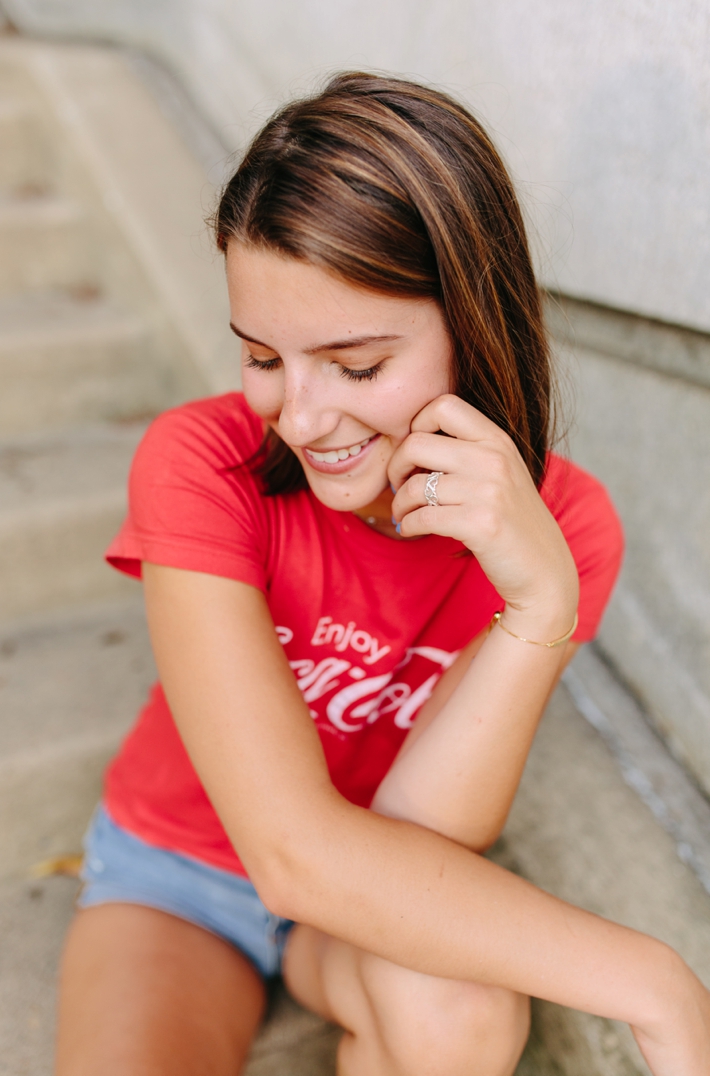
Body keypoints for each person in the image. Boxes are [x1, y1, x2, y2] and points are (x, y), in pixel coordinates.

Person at [54, 74, 710, 1075]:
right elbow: (292, 854)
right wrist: (660, 984)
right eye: (263, 354)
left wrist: (538, 605)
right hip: (182, 868)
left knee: (463, 1011)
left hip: (384, 880)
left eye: (355, 365)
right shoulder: (202, 462)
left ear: (474, 323)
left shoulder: (566, 527)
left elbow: (424, 834)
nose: (302, 414)